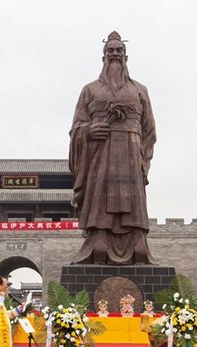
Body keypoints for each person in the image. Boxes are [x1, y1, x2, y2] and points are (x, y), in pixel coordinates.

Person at [69, 31, 156, 265]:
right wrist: (87, 131)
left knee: (134, 203)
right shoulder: (90, 90)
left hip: (130, 154)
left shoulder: (140, 90)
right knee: (99, 199)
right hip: (101, 155)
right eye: (110, 51)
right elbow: (76, 126)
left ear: (126, 57)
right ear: (103, 57)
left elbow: (149, 131)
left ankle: (138, 245)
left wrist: (142, 159)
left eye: (119, 51)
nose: (115, 55)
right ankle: (98, 242)